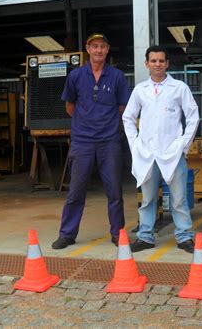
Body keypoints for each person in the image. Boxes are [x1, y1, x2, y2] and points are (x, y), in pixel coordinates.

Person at [52, 33, 131, 249]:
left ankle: (118, 233)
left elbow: (122, 106)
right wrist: (86, 121)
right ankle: (67, 234)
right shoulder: (76, 76)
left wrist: (104, 122)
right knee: (76, 190)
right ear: (88, 49)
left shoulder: (116, 76)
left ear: (107, 50)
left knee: (114, 190)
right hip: (83, 141)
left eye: (102, 46)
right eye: (94, 46)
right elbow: (70, 106)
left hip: (109, 141)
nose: (98, 50)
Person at [122, 46, 199, 254]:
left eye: (161, 61)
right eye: (153, 61)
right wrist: (135, 144)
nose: (157, 64)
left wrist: (183, 145)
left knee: (179, 198)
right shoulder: (140, 90)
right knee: (147, 199)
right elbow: (128, 117)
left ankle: (184, 236)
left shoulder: (179, 88)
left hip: (173, 153)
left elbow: (193, 116)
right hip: (147, 154)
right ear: (146, 64)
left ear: (167, 63)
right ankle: (145, 236)